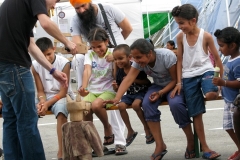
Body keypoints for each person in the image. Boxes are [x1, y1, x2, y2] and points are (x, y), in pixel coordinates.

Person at [0, 0, 77, 159]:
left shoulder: (16, 8)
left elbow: (31, 45)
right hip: (16, 67)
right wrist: (68, 42)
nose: (55, 5)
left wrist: (53, 70)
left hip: (4, 67)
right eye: (55, 0)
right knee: (27, 121)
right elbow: (46, 23)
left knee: (11, 119)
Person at [105, 38, 196, 160]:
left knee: (176, 104)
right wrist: (117, 98)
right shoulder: (138, 61)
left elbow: (175, 80)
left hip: (174, 85)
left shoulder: (166, 56)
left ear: (149, 53)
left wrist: (161, 92)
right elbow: (128, 79)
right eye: (134, 58)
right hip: (158, 85)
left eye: (138, 57)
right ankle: (160, 145)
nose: (136, 61)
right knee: (147, 104)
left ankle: (191, 141)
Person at [69, 0, 133, 153]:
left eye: (83, 6)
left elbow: (127, 29)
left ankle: (119, 141)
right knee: (78, 59)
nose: (81, 10)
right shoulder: (76, 20)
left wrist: (116, 53)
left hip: (115, 62)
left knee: (113, 102)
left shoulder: (109, 9)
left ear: (90, 2)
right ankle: (94, 143)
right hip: (95, 74)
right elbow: (78, 47)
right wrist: (83, 85)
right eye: (77, 8)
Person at [171, 4, 223, 159]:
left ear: (193, 21)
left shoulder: (205, 36)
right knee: (196, 113)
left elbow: (217, 58)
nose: (179, 27)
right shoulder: (180, 37)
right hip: (188, 76)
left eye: (181, 23)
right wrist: (179, 82)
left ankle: (210, 90)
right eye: (177, 23)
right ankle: (206, 148)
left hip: (206, 71)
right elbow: (179, 60)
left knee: (211, 94)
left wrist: (220, 79)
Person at [78, 27, 128, 155]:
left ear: (106, 41)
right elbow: (87, 70)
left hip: (109, 89)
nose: (96, 50)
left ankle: (110, 131)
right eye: (93, 47)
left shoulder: (113, 53)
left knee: (97, 105)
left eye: (99, 46)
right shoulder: (90, 54)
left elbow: (117, 74)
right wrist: (84, 87)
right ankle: (95, 144)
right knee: (85, 109)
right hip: (93, 90)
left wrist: (115, 61)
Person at [31, 37, 74, 160]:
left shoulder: (64, 63)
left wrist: (47, 103)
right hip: (44, 96)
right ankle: (31, 151)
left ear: (54, 49)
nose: (47, 58)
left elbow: (63, 92)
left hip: (61, 95)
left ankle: (62, 151)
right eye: (43, 56)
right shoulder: (34, 65)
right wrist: (42, 102)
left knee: (61, 111)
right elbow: (40, 90)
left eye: (49, 54)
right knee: (28, 110)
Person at [112, 44, 153, 147]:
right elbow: (119, 88)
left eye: (121, 58)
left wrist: (133, 80)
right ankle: (130, 130)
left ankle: (146, 127)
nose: (118, 62)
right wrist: (115, 87)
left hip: (142, 91)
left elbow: (147, 82)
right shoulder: (120, 72)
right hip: (130, 94)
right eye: (116, 59)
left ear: (129, 57)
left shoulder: (136, 67)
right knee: (120, 106)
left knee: (136, 105)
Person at [212, 27, 240, 160]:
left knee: (236, 127)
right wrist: (220, 86)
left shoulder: (238, 62)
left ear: (233, 45)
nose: (219, 49)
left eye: (221, 46)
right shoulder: (230, 59)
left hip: (236, 103)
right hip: (228, 101)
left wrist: (223, 83)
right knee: (229, 127)